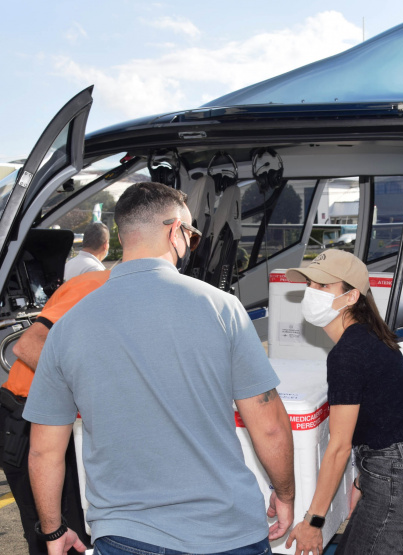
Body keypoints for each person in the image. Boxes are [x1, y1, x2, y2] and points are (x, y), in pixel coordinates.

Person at [24, 181, 296, 555]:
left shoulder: (68, 326)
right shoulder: (222, 308)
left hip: (124, 537)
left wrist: (54, 533)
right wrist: (285, 494)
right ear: (175, 232)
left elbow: (43, 452)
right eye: (193, 236)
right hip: (226, 531)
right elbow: (269, 425)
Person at [284, 249, 403, 555]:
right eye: (310, 285)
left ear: (351, 297)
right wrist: (362, 482)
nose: (312, 294)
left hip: (395, 487)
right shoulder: (368, 339)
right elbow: (388, 420)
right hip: (397, 479)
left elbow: (339, 446)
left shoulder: (349, 353)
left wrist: (313, 521)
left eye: (324, 287)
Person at [0, 269, 110, 554]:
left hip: (63, 422)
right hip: (30, 421)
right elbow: (28, 345)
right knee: (63, 542)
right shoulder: (95, 287)